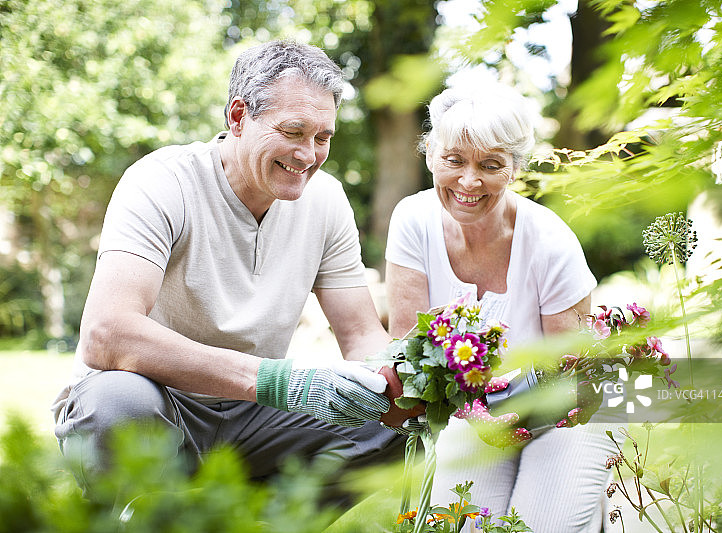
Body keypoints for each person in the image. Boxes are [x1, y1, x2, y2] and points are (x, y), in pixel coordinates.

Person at [52, 40, 406, 490]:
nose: (308, 155)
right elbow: (107, 333)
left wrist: (418, 381)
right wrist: (279, 381)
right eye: (293, 132)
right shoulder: (162, 181)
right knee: (118, 401)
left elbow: (360, 333)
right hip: (160, 398)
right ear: (238, 117)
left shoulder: (327, 200)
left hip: (253, 416)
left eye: (323, 138)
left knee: (387, 422)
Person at [385, 82, 618, 531]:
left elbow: (571, 376)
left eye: (490, 165)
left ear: (514, 167)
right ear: (432, 153)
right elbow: (409, 352)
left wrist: (504, 411)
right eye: (454, 161)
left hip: (569, 415)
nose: (469, 182)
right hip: (473, 417)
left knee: (539, 526)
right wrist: (474, 414)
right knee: (463, 524)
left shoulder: (548, 241)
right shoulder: (412, 220)